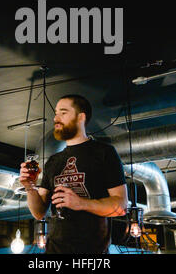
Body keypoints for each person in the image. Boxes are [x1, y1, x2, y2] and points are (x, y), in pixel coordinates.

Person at [19, 94, 128, 254]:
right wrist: (29, 187)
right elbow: (39, 212)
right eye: (56, 113)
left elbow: (121, 206)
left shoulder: (104, 153)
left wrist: (81, 203)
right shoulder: (53, 161)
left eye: (63, 113)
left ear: (80, 117)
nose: (56, 118)